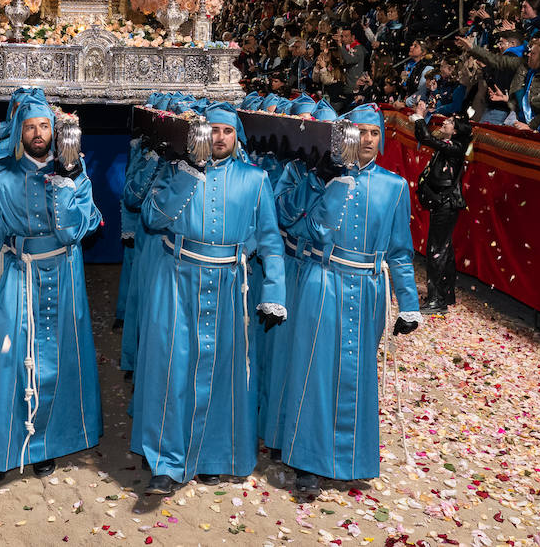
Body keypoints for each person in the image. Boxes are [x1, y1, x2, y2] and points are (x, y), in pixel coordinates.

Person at [132, 102, 287, 494]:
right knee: (173, 367)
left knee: (223, 370)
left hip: (229, 286)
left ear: (237, 137)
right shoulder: (175, 170)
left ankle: (214, 456)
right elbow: (151, 218)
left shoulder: (255, 179)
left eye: (227, 131)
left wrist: (274, 291)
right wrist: (187, 174)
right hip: (176, 280)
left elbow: (270, 239)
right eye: (213, 130)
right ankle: (166, 462)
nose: (219, 137)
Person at [0, 93, 102, 491]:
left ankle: (45, 446)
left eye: (44, 126)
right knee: (11, 363)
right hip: (17, 278)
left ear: (55, 131)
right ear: (19, 133)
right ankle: (0, 455)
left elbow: (78, 230)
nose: (38, 134)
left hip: (64, 277)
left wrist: (69, 182)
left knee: (55, 362)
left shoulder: (76, 172)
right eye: (30, 127)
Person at [275, 104, 421, 492]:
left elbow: (400, 251)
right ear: (344, 136)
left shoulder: (395, 187)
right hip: (322, 282)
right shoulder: (322, 177)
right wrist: (324, 184)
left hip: (369, 291)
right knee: (315, 370)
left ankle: (350, 459)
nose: (367, 140)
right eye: (359, 132)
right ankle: (307, 463)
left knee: (358, 375)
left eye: (374, 133)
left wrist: (409, 304)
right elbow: (297, 223)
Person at [410, 101, 472, 314]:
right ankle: (445, 294)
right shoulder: (449, 144)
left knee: (436, 250)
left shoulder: (456, 147)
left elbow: (426, 138)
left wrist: (420, 117)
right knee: (444, 248)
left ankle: (436, 300)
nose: (444, 122)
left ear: (455, 131)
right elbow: (425, 138)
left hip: (446, 204)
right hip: (443, 203)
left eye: (450, 122)